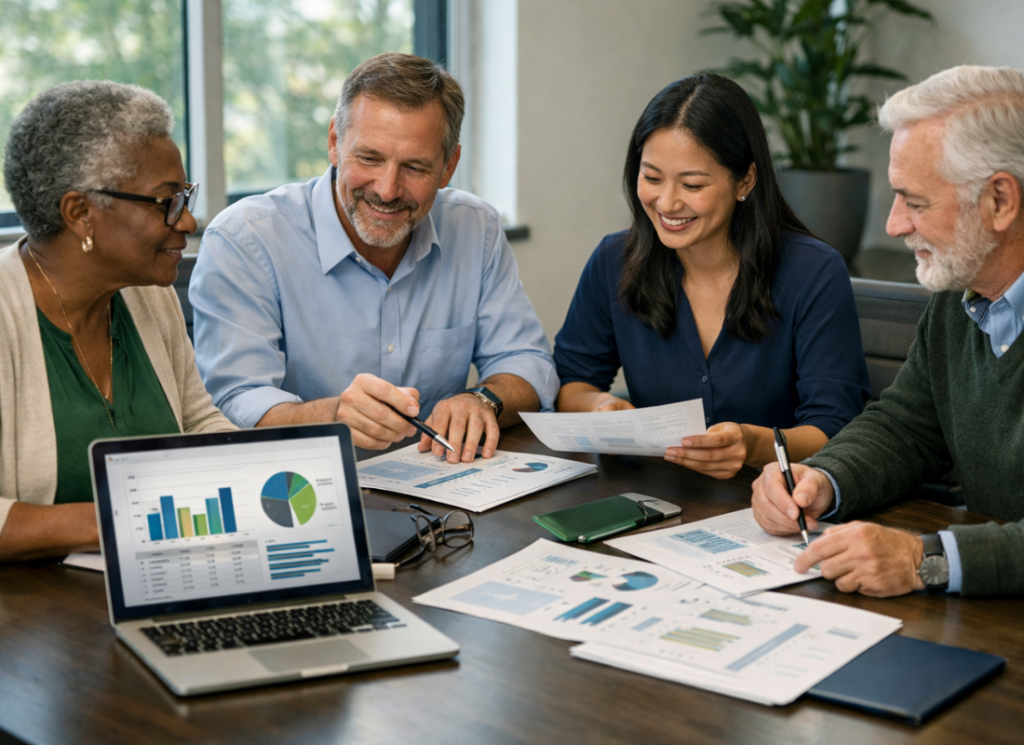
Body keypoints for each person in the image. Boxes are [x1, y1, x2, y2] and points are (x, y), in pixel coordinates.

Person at [191, 53, 556, 464]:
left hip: (444, 491)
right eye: (369, 158)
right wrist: (333, 416)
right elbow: (233, 403)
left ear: (448, 166)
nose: (386, 189)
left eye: (415, 167)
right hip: (303, 490)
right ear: (334, 142)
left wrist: (483, 399)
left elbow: (527, 364)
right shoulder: (245, 238)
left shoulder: (476, 228)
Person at [752, 65, 1024, 597]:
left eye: (915, 202)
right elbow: (906, 428)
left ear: (1000, 201)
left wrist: (925, 559)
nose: (893, 225)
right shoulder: (958, 296)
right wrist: (821, 480)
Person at [553, 73, 869, 479]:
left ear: (746, 181)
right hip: (657, 499)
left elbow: (835, 427)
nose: (667, 202)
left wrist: (756, 445)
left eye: (693, 184)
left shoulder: (813, 272)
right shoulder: (614, 260)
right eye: (652, 178)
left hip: (777, 503)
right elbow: (570, 382)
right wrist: (599, 405)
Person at [0, 81, 235, 561]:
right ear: (81, 213)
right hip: (30, 617)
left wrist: (261, 473)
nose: (187, 222)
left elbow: (196, 422)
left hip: (161, 580)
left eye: (186, 196)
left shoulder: (150, 294)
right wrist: (123, 519)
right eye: (167, 200)